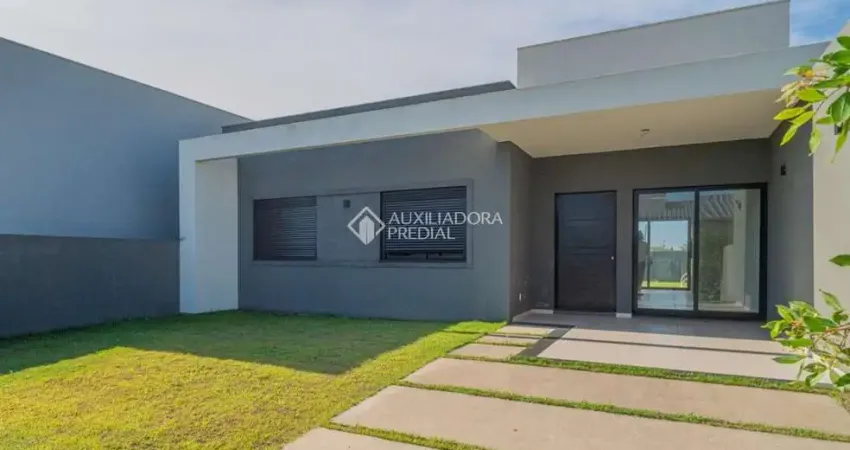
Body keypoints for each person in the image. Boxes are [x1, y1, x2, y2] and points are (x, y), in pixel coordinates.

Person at [636, 230, 649, 295]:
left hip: (636, 262)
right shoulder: (645, 244)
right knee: (640, 276)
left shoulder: (635, 243)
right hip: (642, 262)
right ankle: (638, 289)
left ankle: (637, 290)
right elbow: (647, 253)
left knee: (636, 276)